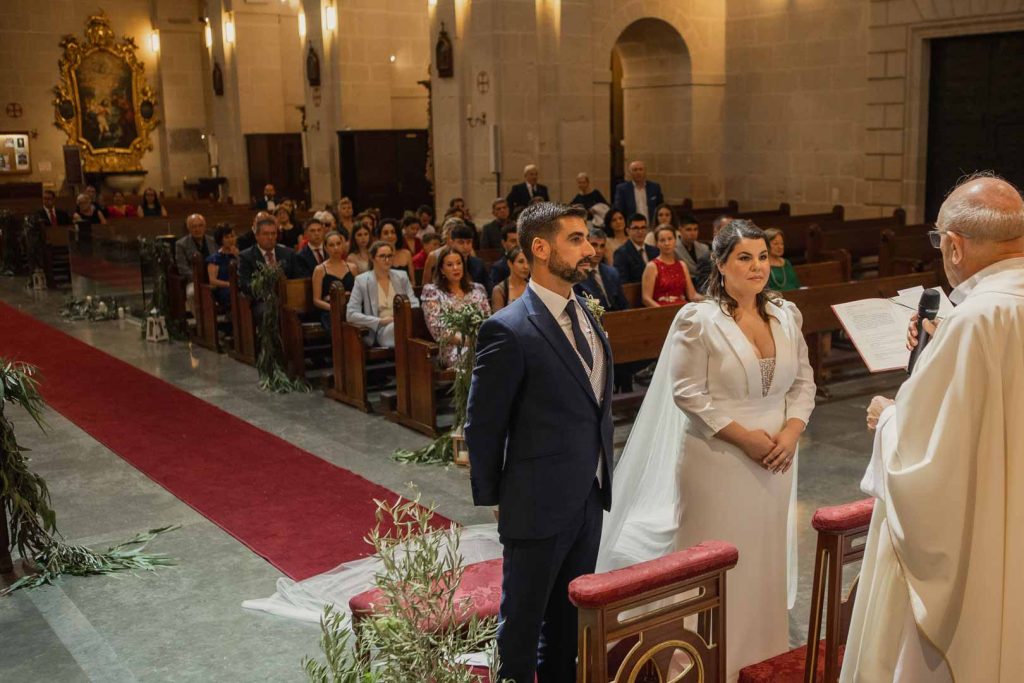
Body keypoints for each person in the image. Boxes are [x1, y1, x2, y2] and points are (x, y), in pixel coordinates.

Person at [597, 219, 815, 681]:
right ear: (720, 264)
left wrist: (791, 432)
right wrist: (745, 437)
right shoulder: (698, 320)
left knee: (762, 558)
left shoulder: (786, 314)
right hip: (717, 458)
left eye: (761, 257)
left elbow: (803, 383)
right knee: (714, 558)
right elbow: (688, 393)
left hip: (776, 459)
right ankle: (696, 659)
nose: (757, 267)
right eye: (744, 258)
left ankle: (760, 651)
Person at [841, 174, 1024, 683]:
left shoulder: (976, 321)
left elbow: (928, 465)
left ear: (954, 246)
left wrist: (889, 417)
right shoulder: (978, 317)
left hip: (976, 539)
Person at [465, 202, 613, 683]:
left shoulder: (586, 313)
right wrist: (496, 498)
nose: (590, 249)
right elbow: (482, 424)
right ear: (540, 248)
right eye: (576, 239)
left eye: (587, 238)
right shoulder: (508, 329)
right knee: (523, 628)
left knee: (568, 627)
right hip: (536, 500)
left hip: (588, 495)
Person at [421, 246, 491, 368]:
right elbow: (439, 331)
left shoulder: (477, 289)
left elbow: (488, 320)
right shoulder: (432, 292)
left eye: (459, 263)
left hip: (481, 342)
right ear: (441, 270)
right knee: (481, 357)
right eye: (449, 265)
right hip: (453, 347)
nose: (455, 268)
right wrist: (469, 341)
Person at [346, 241, 419, 348]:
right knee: (401, 330)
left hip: (404, 323)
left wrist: (403, 318)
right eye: (382, 256)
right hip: (380, 329)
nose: (387, 260)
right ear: (372, 258)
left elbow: (414, 303)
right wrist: (380, 321)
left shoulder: (401, 276)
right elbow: (351, 314)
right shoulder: (361, 281)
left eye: (390, 256)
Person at [238, 215, 300, 298]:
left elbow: (297, 279)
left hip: (288, 297)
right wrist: (266, 289)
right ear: (256, 236)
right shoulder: (246, 256)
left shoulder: (289, 253)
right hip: (260, 300)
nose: (270, 237)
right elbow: (245, 285)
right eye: (266, 234)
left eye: (273, 233)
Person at [641, 226, 702, 307]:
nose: (667, 243)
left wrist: (710, 301)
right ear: (657, 244)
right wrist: (663, 312)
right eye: (662, 240)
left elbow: (692, 295)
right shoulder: (652, 266)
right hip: (661, 310)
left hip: (682, 309)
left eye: (670, 239)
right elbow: (646, 298)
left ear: (675, 241)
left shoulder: (682, 265)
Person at [311, 231, 359, 331]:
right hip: (330, 311)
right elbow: (316, 300)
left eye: (338, 244)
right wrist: (333, 308)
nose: (336, 248)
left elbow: (359, 293)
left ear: (343, 245)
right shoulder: (320, 270)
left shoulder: (352, 267)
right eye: (331, 245)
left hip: (350, 308)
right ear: (326, 248)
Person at [575, 228, 628, 312]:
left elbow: (624, 305)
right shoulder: (577, 276)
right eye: (594, 245)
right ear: (586, 246)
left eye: (602, 246)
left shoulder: (612, 272)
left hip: (618, 319)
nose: (598, 251)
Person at [612, 213, 658, 283]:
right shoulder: (621, 254)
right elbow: (623, 284)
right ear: (628, 231)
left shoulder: (655, 251)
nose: (640, 231)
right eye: (636, 228)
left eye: (643, 228)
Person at [676, 210, 712, 291]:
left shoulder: (704, 248)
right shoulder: (674, 249)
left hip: (703, 285)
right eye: (688, 230)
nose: (692, 233)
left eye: (695, 229)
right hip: (684, 287)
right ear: (680, 230)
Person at [205, 224, 239, 311]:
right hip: (224, 289)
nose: (231, 239)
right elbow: (212, 281)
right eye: (227, 237)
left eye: (232, 236)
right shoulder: (215, 258)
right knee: (232, 293)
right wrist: (230, 284)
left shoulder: (240, 255)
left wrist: (238, 256)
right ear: (221, 240)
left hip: (239, 286)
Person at [174, 213, 215, 281]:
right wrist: (197, 278)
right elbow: (182, 268)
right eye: (194, 226)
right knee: (192, 292)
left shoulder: (213, 241)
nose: (197, 229)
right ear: (189, 229)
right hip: (194, 280)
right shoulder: (181, 244)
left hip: (214, 279)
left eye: (200, 226)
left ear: (205, 227)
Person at [375, 218, 415, 283]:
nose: (390, 236)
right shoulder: (376, 256)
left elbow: (413, 281)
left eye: (393, 232)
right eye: (386, 233)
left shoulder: (407, 254)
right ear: (379, 237)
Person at [491, 246, 530, 312]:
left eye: (528, 262)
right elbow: (497, 320)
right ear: (510, 264)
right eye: (521, 262)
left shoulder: (533, 286)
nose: (526, 266)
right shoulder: (500, 290)